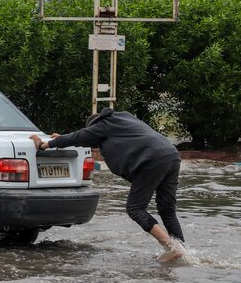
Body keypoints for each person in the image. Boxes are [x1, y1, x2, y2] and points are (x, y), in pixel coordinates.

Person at [30, 107, 186, 263]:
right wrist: (63, 138)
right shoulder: (124, 120)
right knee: (167, 209)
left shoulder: (104, 124)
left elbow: (80, 136)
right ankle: (183, 253)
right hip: (171, 155)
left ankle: (170, 246)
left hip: (151, 160)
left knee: (135, 208)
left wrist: (44, 145)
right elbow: (83, 139)